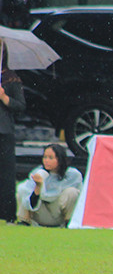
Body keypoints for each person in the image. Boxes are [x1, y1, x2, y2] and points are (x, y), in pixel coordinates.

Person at [16, 143, 83, 226]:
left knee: (72, 192)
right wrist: (38, 186)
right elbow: (30, 201)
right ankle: (24, 221)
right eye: (45, 157)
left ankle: (68, 223)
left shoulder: (72, 174)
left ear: (60, 159)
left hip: (57, 212)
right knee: (22, 189)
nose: (46, 161)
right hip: (40, 212)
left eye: (51, 158)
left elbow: (80, 199)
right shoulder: (38, 173)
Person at [0, 47, 27, 223]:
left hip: (4, 131)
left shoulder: (11, 78)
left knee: (6, 175)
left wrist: (4, 97)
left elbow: (20, 106)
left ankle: (7, 214)